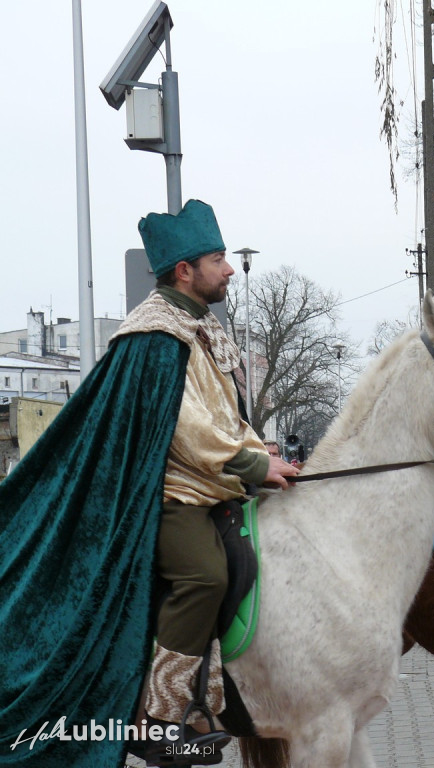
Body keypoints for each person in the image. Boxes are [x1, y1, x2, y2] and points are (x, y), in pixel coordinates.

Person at [0, 199, 299, 767]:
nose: (230, 268)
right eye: (218, 259)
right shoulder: (157, 336)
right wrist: (256, 467)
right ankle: (160, 721)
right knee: (204, 577)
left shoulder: (199, 329)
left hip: (212, 484)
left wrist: (265, 452)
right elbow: (190, 430)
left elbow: (226, 417)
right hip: (170, 494)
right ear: (184, 270)